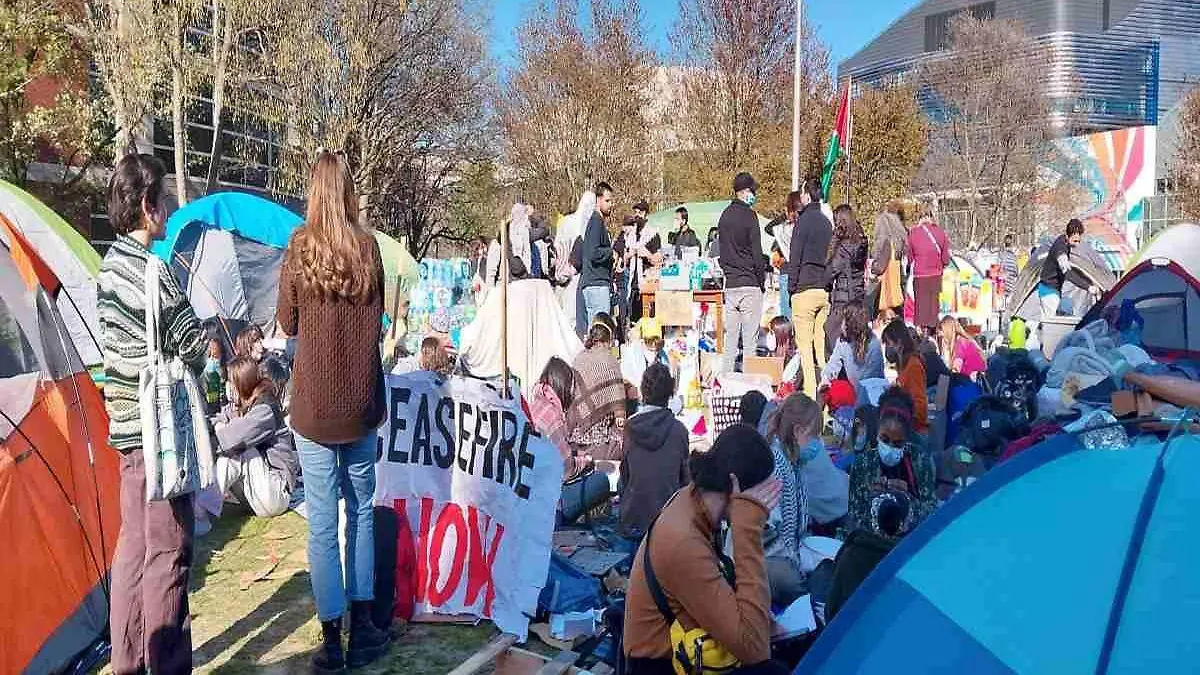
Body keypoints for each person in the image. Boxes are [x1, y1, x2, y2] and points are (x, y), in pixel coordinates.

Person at [276, 150, 390, 671]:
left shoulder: (300, 247)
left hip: (315, 408)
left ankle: (330, 641)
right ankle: (363, 628)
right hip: (361, 402)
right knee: (360, 513)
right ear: (347, 191)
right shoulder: (369, 248)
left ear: (312, 191)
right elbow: (381, 319)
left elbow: (286, 323)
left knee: (323, 524)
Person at [99, 154, 207, 675]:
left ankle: (126, 661)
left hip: (124, 430)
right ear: (147, 207)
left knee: (132, 551)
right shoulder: (153, 271)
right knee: (169, 553)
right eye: (163, 200)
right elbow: (192, 343)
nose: (167, 208)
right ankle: (165, 664)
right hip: (160, 435)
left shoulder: (106, 268)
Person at [623, 424, 787, 675]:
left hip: (686, 650)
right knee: (772, 671)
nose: (763, 508)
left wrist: (765, 622)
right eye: (758, 497)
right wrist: (747, 531)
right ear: (734, 485)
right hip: (660, 666)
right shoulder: (684, 541)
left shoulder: (691, 500)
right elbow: (754, 650)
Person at [212, 358, 299, 518]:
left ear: (242, 383)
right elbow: (219, 419)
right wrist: (217, 426)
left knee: (236, 450)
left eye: (230, 382)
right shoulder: (244, 403)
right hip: (258, 493)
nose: (227, 387)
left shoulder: (265, 409)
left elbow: (231, 439)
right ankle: (205, 503)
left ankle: (204, 507)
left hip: (276, 494)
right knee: (232, 446)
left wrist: (215, 434)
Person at [846, 387, 936, 536]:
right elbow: (854, 516)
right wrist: (874, 501)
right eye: (885, 440)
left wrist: (906, 501)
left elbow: (931, 514)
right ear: (877, 432)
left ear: (907, 439)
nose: (889, 448)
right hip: (873, 544)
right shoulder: (863, 464)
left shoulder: (920, 461)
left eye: (898, 443)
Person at [619, 364, 690, 539]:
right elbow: (685, 481)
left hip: (633, 521)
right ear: (671, 393)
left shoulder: (630, 427)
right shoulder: (679, 430)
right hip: (668, 522)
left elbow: (625, 477)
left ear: (644, 391)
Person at [785, 179, 833, 398]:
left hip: (803, 289)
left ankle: (811, 398)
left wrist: (791, 288)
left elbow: (795, 259)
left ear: (806, 195)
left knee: (805, 350)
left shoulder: (801, 224)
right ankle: (827, 396)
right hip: (823, 290)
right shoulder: (827, 223)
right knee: (820, 349)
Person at [717, 172, 767, 373]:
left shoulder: (724, 216)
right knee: (749, 343)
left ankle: (726, 382)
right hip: (749, 285)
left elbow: (722, 253)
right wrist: (761, 281)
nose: (754, 195)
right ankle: (750, 390)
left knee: (730, 341)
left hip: (731, 286)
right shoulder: (750, 216)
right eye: (752, 191)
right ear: (745, 192)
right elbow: (756, 253)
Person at [568, 314, 627, 461]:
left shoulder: (579, 357)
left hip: (574, 432)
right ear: (609, 338)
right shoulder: (609, 359)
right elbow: (620, 412)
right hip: (597, 440)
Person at [825, 204, 868, 356]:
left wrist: (834, 241)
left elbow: (830, 272)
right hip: (858, 295)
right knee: (855, 340)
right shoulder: (861, 241)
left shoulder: (844, 247)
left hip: (842, 300)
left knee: (832, 338)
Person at [819, 304, 885, 401]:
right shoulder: (842, 341)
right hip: (854, 394)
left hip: (872, 394)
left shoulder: (872, 342)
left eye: (844, 321)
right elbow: (833, 364)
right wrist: (825, 378)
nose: (841, 325)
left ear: (852, 323)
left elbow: (875, 374)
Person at [1039, 218, 1100, 318]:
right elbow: (1067, 272)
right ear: (1067, 235)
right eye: (1075, 241)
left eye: (1079, 241)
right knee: (1052, 324)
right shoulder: (1060, 250)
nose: (1077, 244)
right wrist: (1088, 287)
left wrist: (1089, 281)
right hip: (1048, 291)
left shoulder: (1063, 240)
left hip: (1053, 290)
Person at [906, 203, 951, 336]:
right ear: (932, 216)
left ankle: (921, 339)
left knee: (920, 312)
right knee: (933, 312)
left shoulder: (913, 234)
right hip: (935, 277)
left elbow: (909, 257)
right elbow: (946, 259)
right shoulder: (941, 233)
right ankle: (933, 339)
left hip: (920, 278)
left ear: (920, 217)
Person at [881, 319, 928, 433]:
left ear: (899, 343)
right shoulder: (903, 365)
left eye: (889, 343)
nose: (887, 347)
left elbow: (920, 407)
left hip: (914, 430)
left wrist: (899, 406)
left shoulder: (913, 366)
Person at [869, 199, 908, 323]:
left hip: (885, 295)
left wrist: (872, 268)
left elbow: (880, 268)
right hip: (897, 291)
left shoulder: (886, 243)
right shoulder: (898, 244)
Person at [764, 211, 794, 320]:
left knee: (788, 309)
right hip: (787, 270)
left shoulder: (794, 227)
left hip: (789, 270)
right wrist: (784, 216)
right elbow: (768, 228)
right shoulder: (784, 228)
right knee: (787, 308)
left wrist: (784, 215)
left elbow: (769, 228)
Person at [938, 316, 986, 380]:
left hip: (968, 382)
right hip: (972, 381)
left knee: (942, 383)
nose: (940, 336)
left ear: (948, 332)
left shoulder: (960, 344)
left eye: (943, 333)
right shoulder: (963, 341)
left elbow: (955, 370)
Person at [997, 233, 1019, 301]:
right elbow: (1016, 272)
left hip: (1001, 282)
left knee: (1000, 301)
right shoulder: (1014, 257)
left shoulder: (1000, 255)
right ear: (1012, 244)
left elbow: (995, 269)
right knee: (1007, 300)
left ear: (1004, 244)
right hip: (1010, 283)